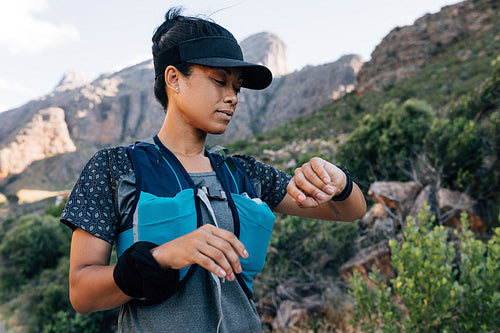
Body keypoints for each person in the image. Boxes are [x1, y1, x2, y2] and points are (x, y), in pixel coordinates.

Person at [61, 7, 366, 333]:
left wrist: (341, 182)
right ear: (174, 79)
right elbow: (82, 294)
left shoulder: (244, 173)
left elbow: (347, 211)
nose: (232, 97)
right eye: (220, 81)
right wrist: (162, 257)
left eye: (236, 87)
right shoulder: (115, 169)